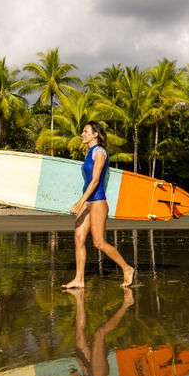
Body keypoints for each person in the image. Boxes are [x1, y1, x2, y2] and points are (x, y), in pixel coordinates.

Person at [63, 121, 135, 288]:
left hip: (97, 201)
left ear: (95, 134)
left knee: (99, 242)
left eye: (86, 131)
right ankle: (79, 279)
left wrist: (80, 201)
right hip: (87, 201)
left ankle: (127, 268)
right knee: (79, 238)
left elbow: (95, 180)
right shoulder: (89, 153)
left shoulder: (99, 152)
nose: (82, 134)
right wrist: (83, 201)